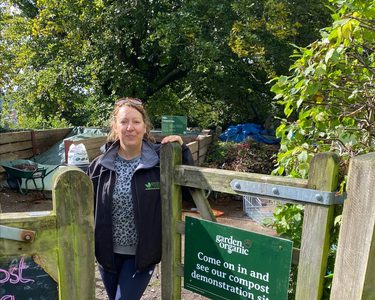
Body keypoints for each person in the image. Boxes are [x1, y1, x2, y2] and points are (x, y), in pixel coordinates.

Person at [87, 97, 193, 300]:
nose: (130, 128)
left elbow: (189, 194)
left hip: (141, 256)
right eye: (124, 121)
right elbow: (86, 210)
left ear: (145, 127)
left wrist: (183, 151)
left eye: (136, 122)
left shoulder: (159, 162)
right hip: (107, 255)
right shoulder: (99, 165)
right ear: (115, 126)